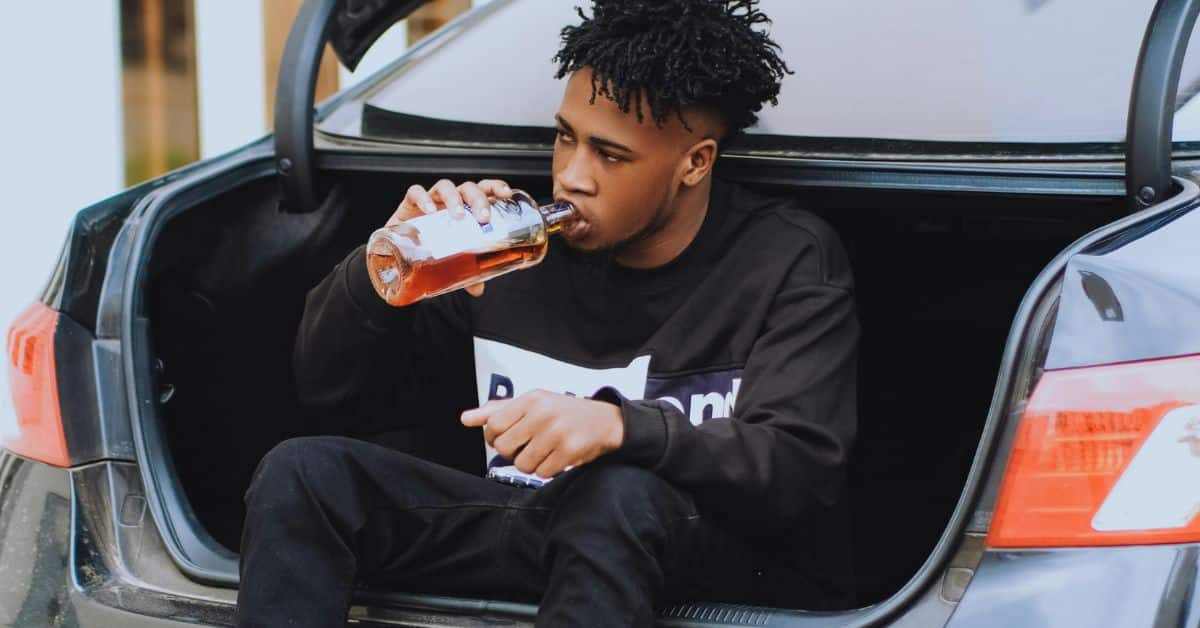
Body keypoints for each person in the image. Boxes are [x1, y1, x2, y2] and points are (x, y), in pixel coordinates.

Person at [235, 0, 858, 625]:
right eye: (566, 137)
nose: (570, 177)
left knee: (616, 493)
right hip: (529, 524)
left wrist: (618, 428)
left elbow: (796, 466)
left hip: (693, 545)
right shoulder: (505, 244)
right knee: (303, 471)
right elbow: (328, 389)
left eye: (609, 155)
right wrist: (379, 273)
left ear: (694, 163)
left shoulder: (782, 257)